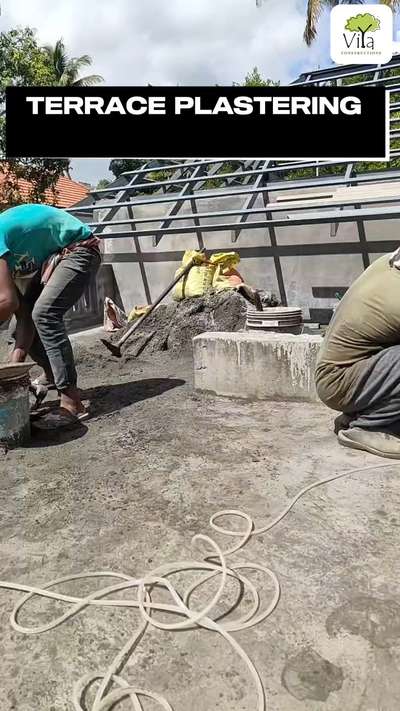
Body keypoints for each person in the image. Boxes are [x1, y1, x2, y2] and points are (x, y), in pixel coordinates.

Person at [0, 203, 101, 428]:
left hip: (79, 248)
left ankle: (72, 403)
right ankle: (52, 377)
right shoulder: (4, 263)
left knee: (44, 314)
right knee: (22, 325)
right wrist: (11, 373)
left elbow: (7, 301)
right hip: (55, 257)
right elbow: (23, 316)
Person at [315, 249, 400, 459]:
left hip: (353, 373)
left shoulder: (388, 263)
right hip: (341, 382)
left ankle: (359, 413)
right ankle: (369, 426)